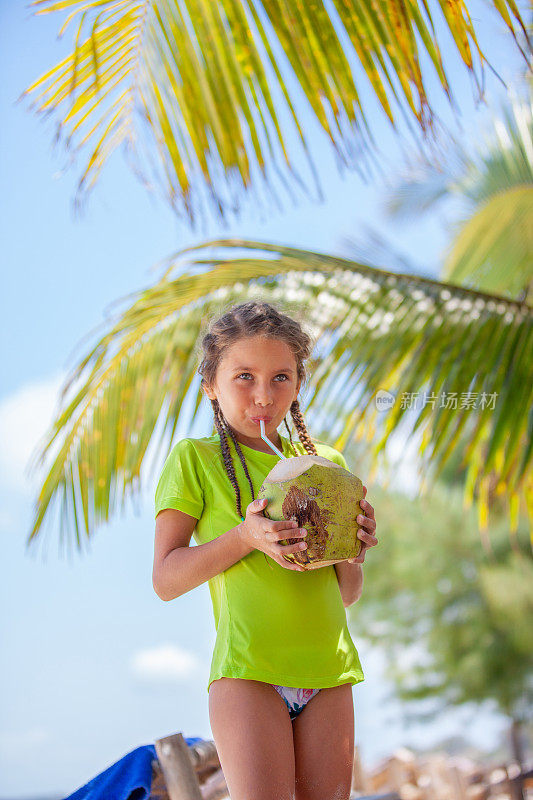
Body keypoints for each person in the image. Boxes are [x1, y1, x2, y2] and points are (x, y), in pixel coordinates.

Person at [152, 301, 378, 800]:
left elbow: (346, 594)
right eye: (244, 377)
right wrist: (244, 537)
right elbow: (166, 580)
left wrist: (352, 549)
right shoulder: (196, 460)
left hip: (330, 672)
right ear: (210, 384)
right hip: (248, 673)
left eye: (281, 378)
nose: (263, 395)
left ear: (299, 384)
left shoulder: (328, 465)